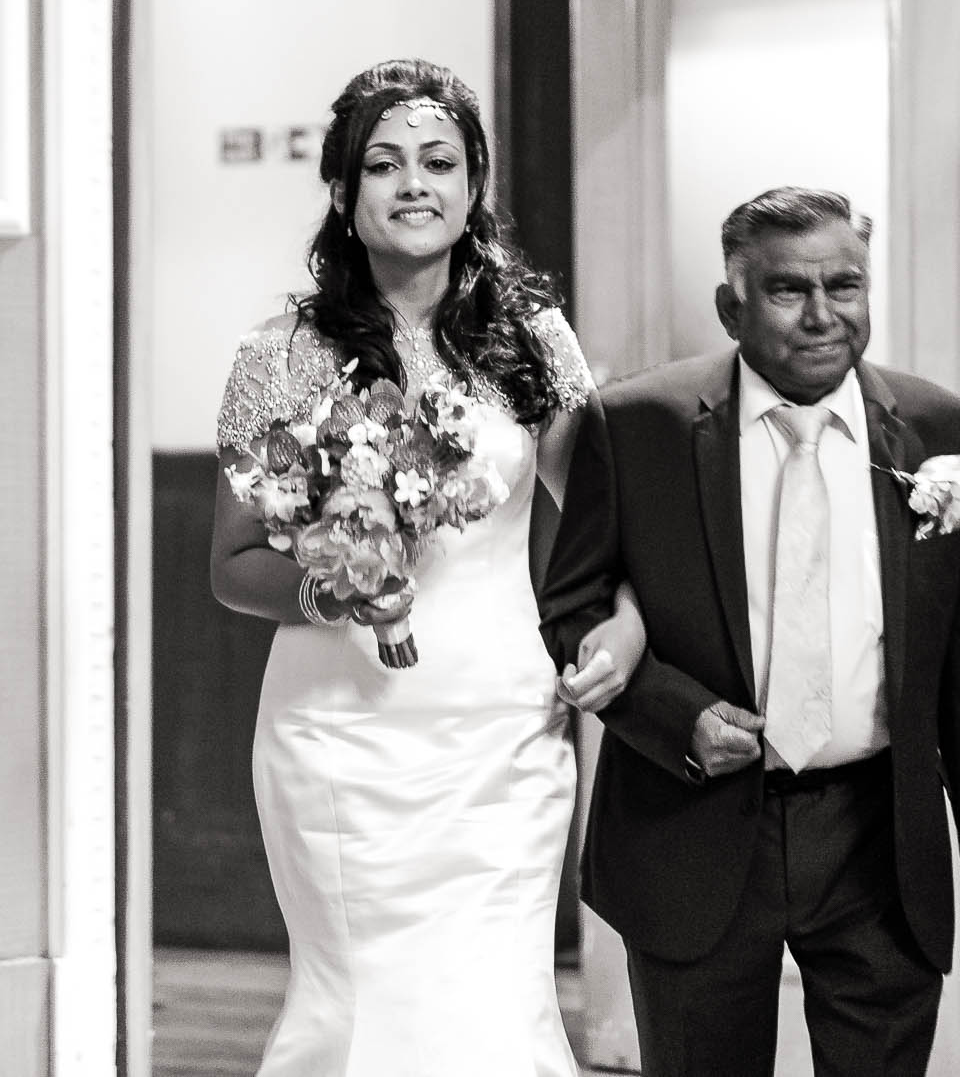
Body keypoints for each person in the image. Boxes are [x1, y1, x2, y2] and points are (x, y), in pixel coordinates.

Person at [539, 186, 960, 1076]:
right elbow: (573, 605)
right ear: (731, 307)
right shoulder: (639, 424)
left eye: (844, 286)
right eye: (787, 291)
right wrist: (676, 717)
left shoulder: (942, 431)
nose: (822, 315)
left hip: (878, 844)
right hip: (693, 831)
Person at [211, 58, 644, 1076]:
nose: (415, 184)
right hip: (336, 729)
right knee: (359, 1006)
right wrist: (331, 586)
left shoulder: (534, 341)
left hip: (502, 727)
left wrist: (623, 622)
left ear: (473, 184)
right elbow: (230, 564)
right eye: (384, 164)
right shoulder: (282, 353)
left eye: (440, 162)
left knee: (495, 1004)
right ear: (342, 192)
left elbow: (606, 525)